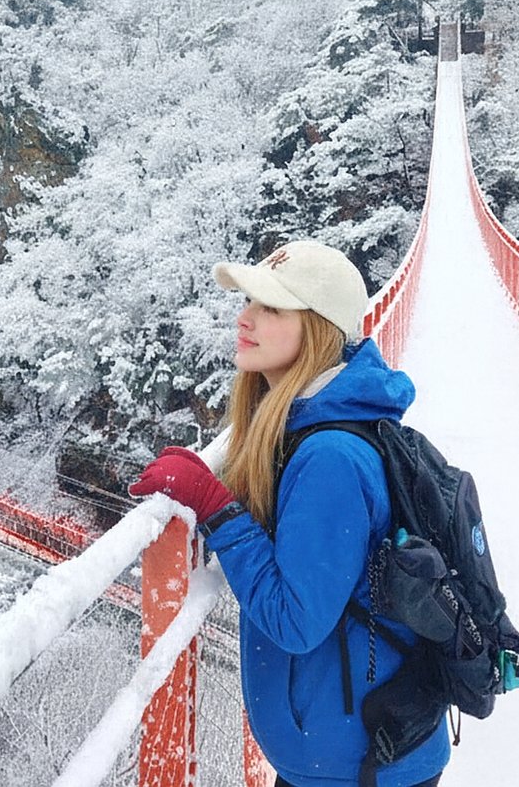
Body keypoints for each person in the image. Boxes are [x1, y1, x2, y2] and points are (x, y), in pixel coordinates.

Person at [129, 240, 450, 787]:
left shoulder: (329, 458)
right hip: (351, 751)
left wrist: (215, 506)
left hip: (362, 767)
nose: (245, 318)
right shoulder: (314, 420)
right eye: (250, 301)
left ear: (318, 328)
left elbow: (295, 622)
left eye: (271, 307)